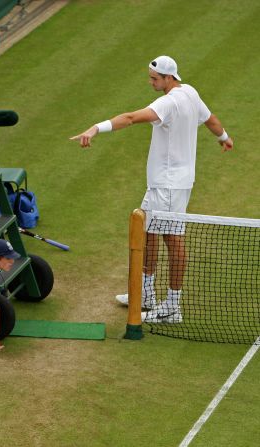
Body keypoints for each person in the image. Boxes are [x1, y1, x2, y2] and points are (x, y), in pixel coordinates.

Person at [70, 55, 234, 323]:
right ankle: (145, 294)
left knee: (172, 240)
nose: (151, 82)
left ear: (169, 77)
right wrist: (224, 138)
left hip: (169, 184)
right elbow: (211, 119)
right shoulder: (190, 92)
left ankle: (172, 306)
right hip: (165, 182)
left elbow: (131, 117)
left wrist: (96, 128)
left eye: (155, 78)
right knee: (146, 232)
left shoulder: (167, 103)